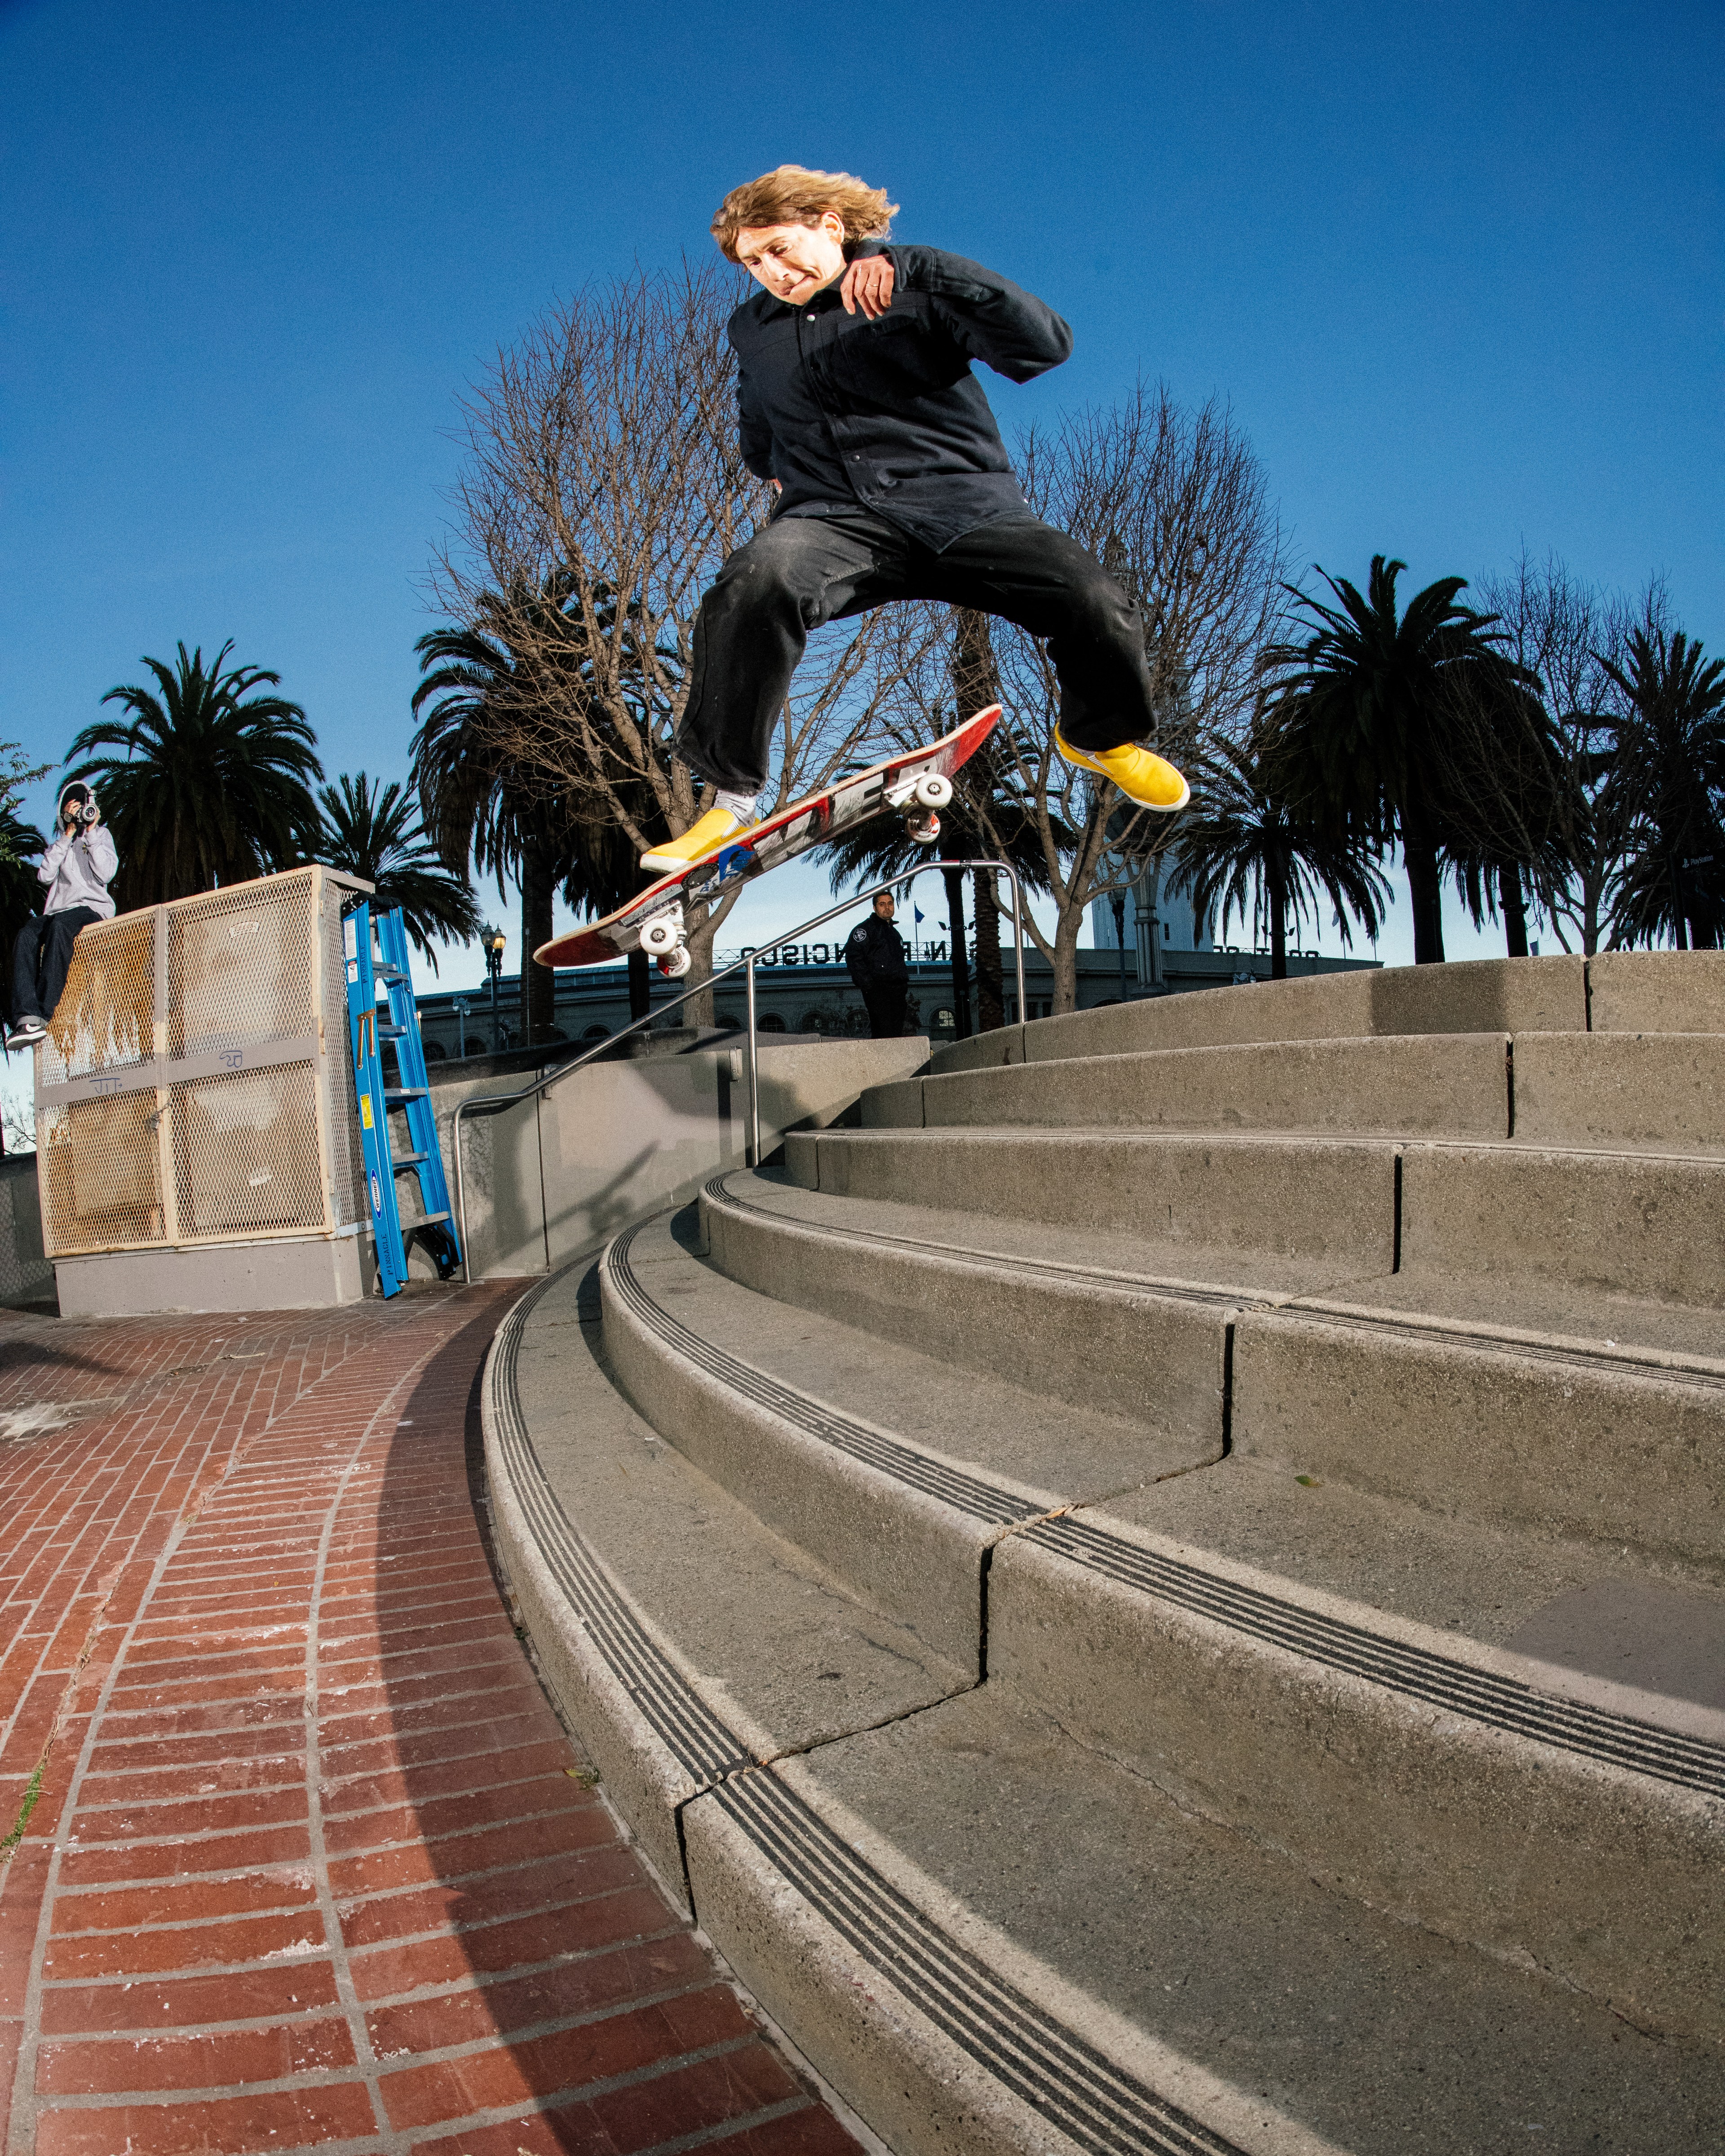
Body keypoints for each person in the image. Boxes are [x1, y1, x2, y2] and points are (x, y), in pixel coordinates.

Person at [642, 164, 1189, 876]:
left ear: (831, 227)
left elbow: (1046, 346)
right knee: (755, 580)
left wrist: (920, 267)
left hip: (964, 508)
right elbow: (757, 403)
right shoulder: (753, 327)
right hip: (837, 522)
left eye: (780, 249)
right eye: (753, 263)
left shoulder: (912, 284)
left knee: (1094, 600)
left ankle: (1101, 737)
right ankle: (729, 799)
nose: (770, 273)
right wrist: (764, 455)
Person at [8, 782, 116, 1049]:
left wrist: (90, 831)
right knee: (26, 935)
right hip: (58, 911)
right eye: (72, 808)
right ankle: (27, 1018)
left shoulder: (101, 835)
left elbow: (105, 874)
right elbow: (45, 876)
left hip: (91, 908)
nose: (78, 813)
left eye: (81, 806)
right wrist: (66, 836)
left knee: (60, 928)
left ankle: (42, 1016)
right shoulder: (62, 843)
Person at [845, 888, 910, 1038]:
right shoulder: (866, 929)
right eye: (882, 904)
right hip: (878, 990)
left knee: (895, 1034)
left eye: (890, 903)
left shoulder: (894, 933)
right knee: (883, 1032)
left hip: (897, 992)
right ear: (875, 908)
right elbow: (854, 956)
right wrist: (870, 987)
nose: (887, 907)